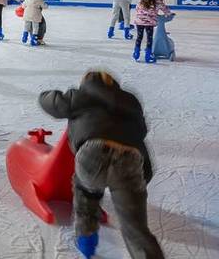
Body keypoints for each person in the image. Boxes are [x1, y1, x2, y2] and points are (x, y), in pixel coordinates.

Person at [38, 70, 163, 259]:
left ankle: (86, 241)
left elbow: (52, 102)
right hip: (129, 157)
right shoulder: (130, 102)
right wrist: (142, 178)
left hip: (93, 153)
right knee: (135, 226)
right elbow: (140, 136)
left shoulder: (81, 96)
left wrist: (45, 95)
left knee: (85, 192)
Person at [132, 0, 173, 64]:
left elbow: (137, 8)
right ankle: (148, 55)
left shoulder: (143, 0)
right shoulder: (158, 1)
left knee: (139, 37)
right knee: (149, 38)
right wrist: (169, 14)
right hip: (149, 22)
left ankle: (136, 53)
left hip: (139, 21)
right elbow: (165, 9)